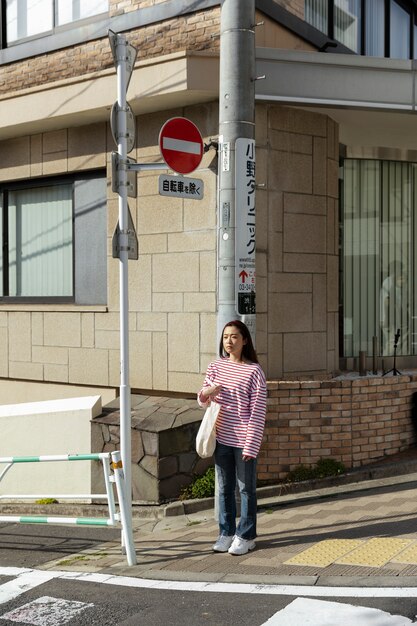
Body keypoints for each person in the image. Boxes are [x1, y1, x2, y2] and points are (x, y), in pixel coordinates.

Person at [197, 320, 267, 556]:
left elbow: (258, 410)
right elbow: (203, 399)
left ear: (245, 340)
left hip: (244, 439)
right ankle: (226, 533)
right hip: (222, 438)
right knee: (224, 489)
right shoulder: (216, 366)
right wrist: (206, 393)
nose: (229, 341)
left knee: (246, 489)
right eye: (226, 337)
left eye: (234, 337)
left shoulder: (254, 371)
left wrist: (251, 444)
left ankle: (246, 536)